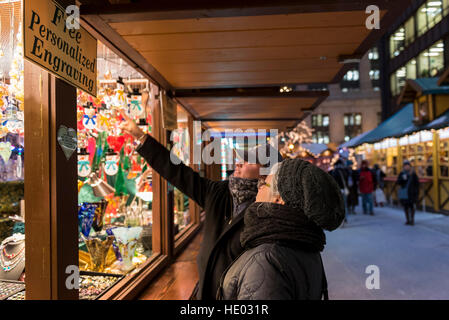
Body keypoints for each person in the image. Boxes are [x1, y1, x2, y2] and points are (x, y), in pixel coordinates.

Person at [119, 111, 283, 300]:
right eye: (241, 157)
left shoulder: (268, 211)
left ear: (265, 174)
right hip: (207, 290)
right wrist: (141, 136)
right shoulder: (218, 192)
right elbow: (178, 172)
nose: (239, 163)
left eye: (248, 161)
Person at [217, 159, 345, 300]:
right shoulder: (308, 245)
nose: (259, 187)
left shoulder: (266, 261)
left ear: (279, 200)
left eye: (264, 183)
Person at [397, 160, 420, 226]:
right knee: (406, 207)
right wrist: (403, 178)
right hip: (405, 193)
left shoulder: (413, 174)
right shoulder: (402, 173)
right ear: (403, 167)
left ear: (410, 166)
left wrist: (417, 192)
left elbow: (417, 183)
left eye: (408, 166)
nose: (406, 167)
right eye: (405, 166)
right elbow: (398, 182)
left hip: (412, 193)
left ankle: (412, 220)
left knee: (412, 206)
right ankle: (407, 220)